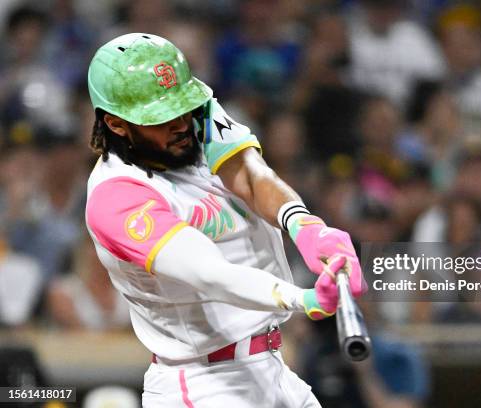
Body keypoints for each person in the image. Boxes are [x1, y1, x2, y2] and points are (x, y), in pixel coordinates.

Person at [84, 33, 366, 407]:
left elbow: (250, 174)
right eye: (162, 117)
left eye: (182, 107)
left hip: (272, 367)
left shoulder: (194, 121)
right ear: (117, 125)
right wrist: (304, 299)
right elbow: (210, 273)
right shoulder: (116, 196)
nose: (182, 123)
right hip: (203, 384)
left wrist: (305, 225)